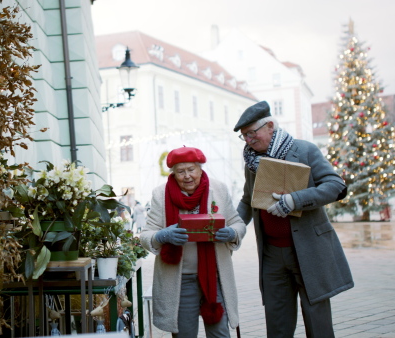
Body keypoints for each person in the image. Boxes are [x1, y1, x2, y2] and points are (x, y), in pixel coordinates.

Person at [233, 101, 353, 338]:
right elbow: (248, 201)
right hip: (271, 255)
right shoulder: (251, 162)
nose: (248, 140)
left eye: (251, 133)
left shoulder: (305, 150)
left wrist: (295, 200)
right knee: (277, 324)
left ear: (269, 126)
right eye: (244, 136)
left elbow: (336, 186)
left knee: (317, 322)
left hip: (308, 250)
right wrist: (234, 227)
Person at [140, 146, 247, 337]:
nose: (187, 176)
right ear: (173, 173)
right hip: (181, 280)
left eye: (191, 170)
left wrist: (231, 233)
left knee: (220, 334)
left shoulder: (219, 189)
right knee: (185, 334)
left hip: (214, 277)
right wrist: (161, 236)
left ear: (200, 169)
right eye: (181, 171)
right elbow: (146, 234)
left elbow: (238, 223)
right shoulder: (160, 194)